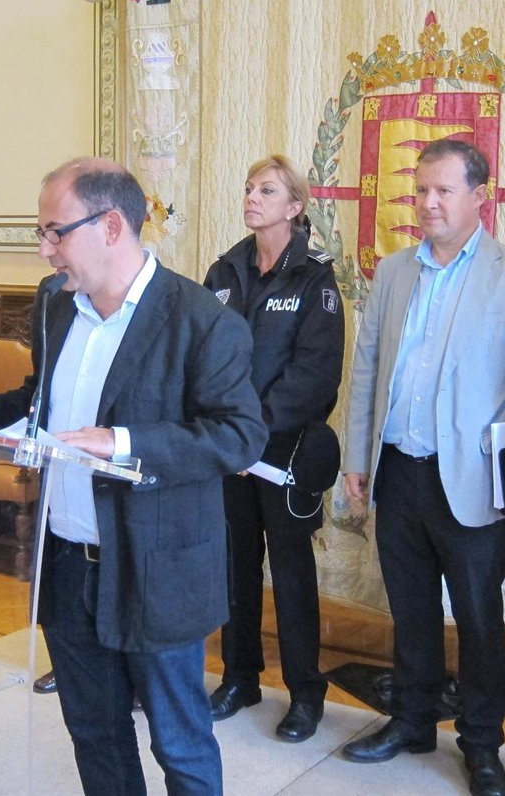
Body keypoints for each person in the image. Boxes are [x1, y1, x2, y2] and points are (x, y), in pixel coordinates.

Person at [0, 157, 266, 796]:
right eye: (42, 233)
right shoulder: (55, 305)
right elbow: (40, 398)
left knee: (179, 743)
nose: (45, 250)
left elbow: (238, 435)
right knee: (95, 735)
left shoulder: (202, 320)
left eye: (55, 232)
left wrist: (123, 442)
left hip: (156, 568)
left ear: (111, 226)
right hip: (68, 564)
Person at [340, 138, 505, 796]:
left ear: (479, 197)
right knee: (410, 610)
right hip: (398, 470)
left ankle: (482, 743)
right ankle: (411, 720)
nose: (427, 203)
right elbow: (367, 366)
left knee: (479, 617)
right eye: (421, 190)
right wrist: (357, 457)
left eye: (443, 191)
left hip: (474, 479)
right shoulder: (394, 271)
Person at [202, 155, 345, 742]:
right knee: (234, 566)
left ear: (295, 207)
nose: (252, 198)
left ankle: (305, 693)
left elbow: (314, 373)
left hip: (282, 452)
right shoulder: (225, 270)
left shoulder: (313, 277)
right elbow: (204, 357)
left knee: (290, 573)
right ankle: (240, 677)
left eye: (266, 190)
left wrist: (250, 434)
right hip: (228, 450)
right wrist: (223, 432)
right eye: (248, 187)